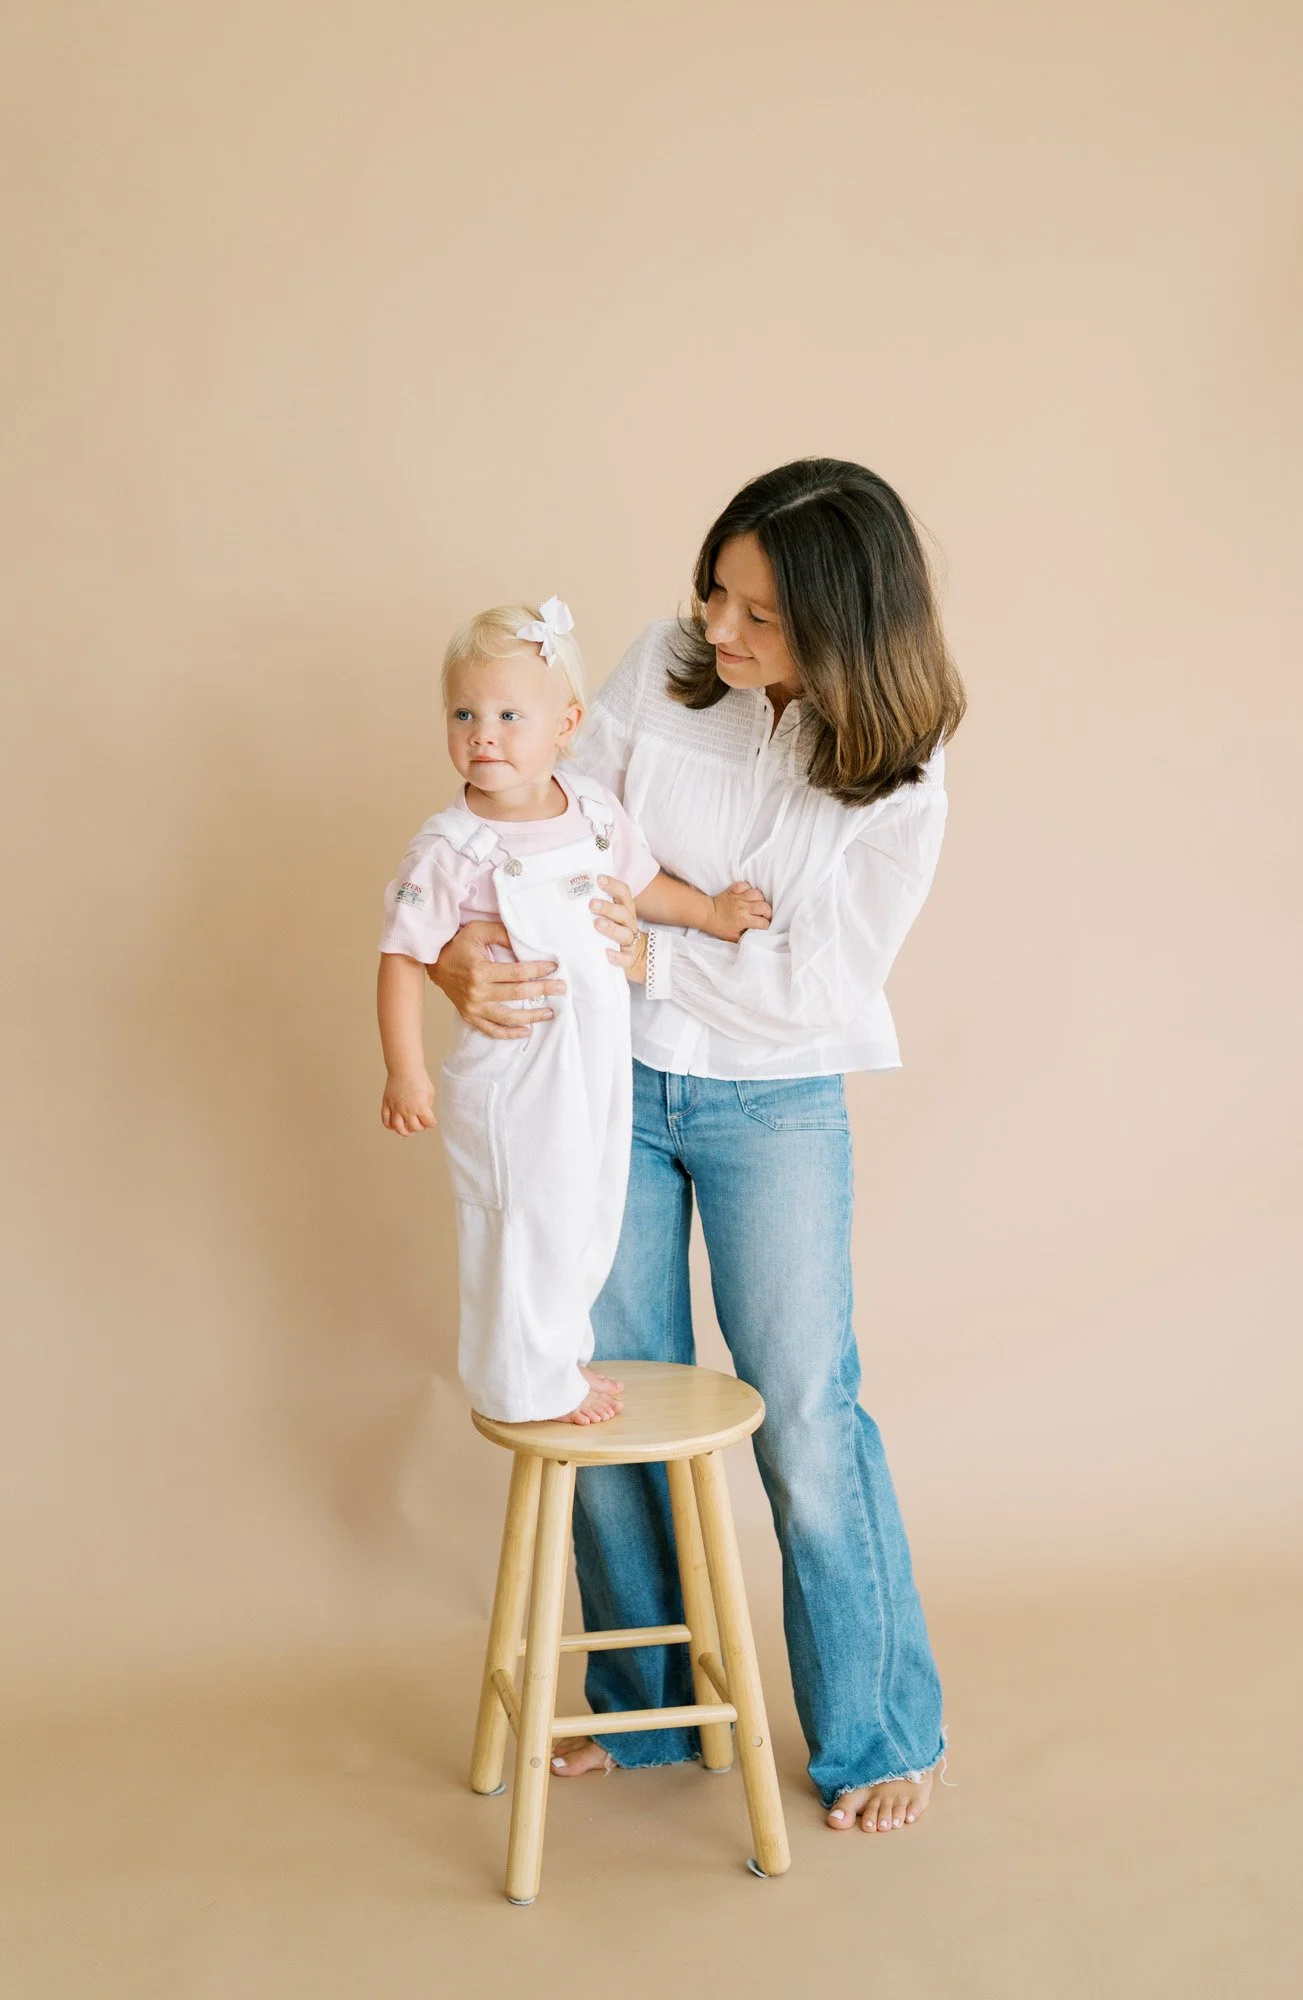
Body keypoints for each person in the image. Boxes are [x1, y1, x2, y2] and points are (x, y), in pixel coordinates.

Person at [430, 458, 966, 1835]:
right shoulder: (669, 665)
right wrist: (470, 959)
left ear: (846, 631)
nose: (714, 634)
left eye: (759, 619)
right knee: (601, 1389)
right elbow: (547, 839)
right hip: (601, 1080)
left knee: (803, 1410)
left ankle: (876, 1732)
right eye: (713, 593)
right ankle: (645, 1705)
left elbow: (815, 992)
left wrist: (647, 954)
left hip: (773, 1100)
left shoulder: (898, 783)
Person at [377, 598, 771, 1425]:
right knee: (521, 1217)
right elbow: (402, 958)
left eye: (509, 715)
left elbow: (641, 884)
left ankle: (559, 1363)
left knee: (585, 1211)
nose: (484, 733)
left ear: (567, 722)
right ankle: (521, 1383)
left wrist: (709, 914)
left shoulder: (590, 812)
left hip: (594, 1056)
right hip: (513, 1066)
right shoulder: (450, 847)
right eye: (464, 713)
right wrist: (405, 1070)